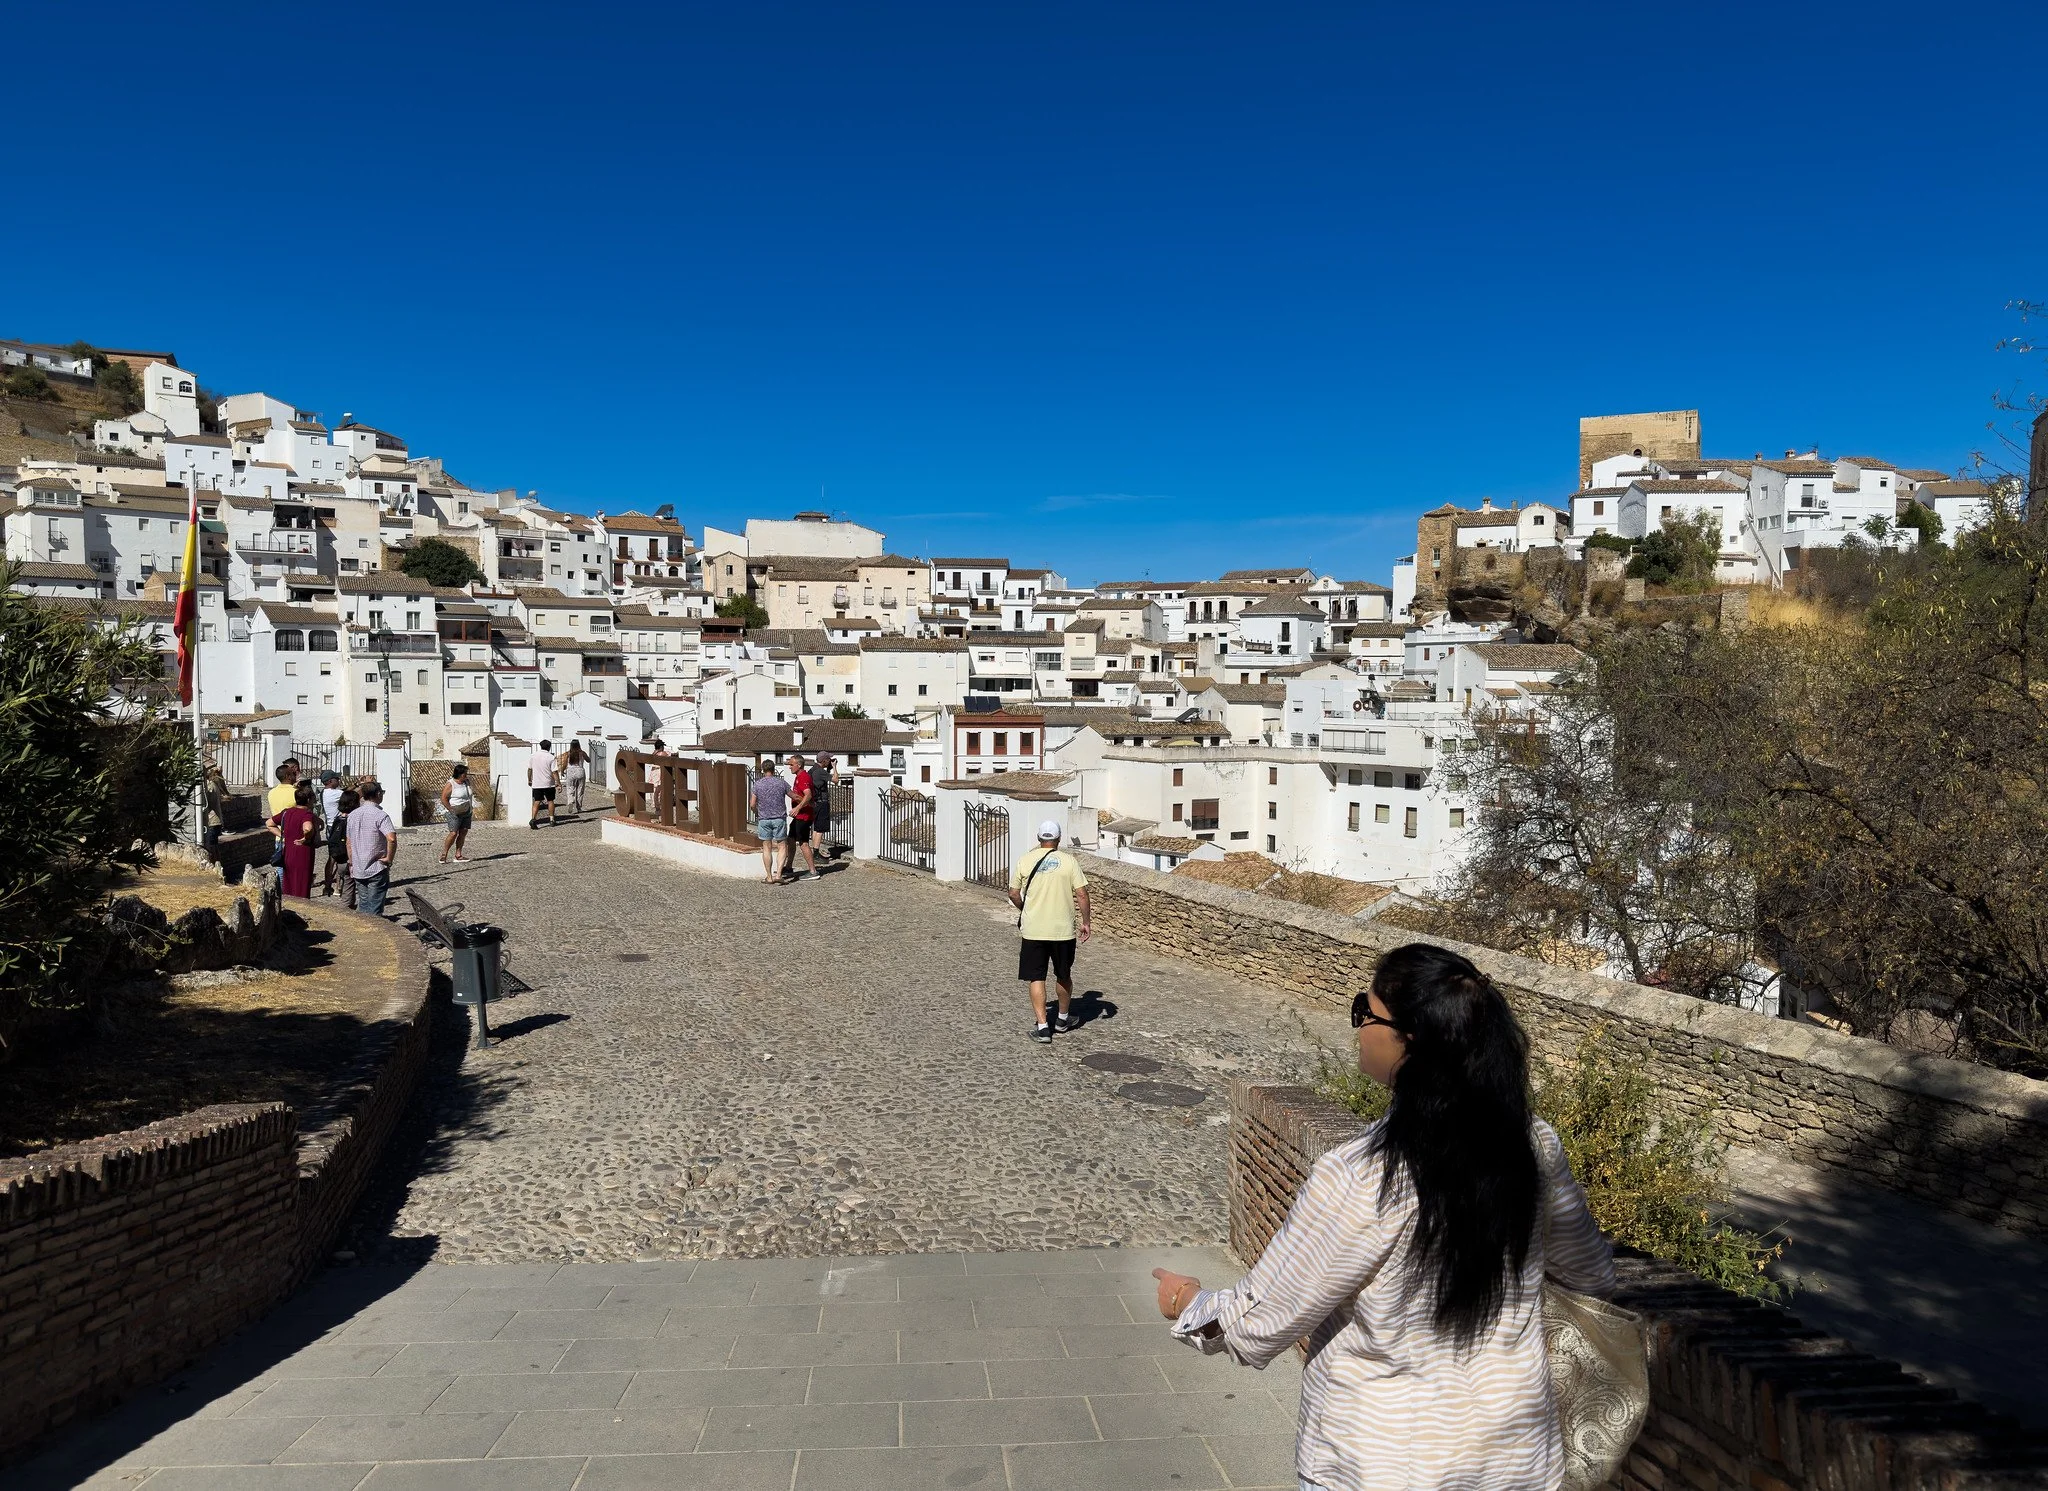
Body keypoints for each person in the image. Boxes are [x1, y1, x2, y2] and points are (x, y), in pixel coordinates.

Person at [1148, 943, 1617, 1491]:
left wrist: (1187, 1301)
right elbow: (1592, 1276)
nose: (1358, 1029)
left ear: (1409, 1040)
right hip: (1513, 1464)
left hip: (1380, 1465)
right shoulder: (1534, 1146)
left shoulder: (1362, 1176)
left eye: (1364, 1013)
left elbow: (1259, 1322)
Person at [1007, 820, 1090, 1042]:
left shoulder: (1025, 860)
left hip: (1033, 929)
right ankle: (1062, 1019)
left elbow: (1013, 893)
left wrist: (1025, 910)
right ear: (1059, 839)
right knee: (1063, 974)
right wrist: (1086, 922)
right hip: (1062, 931)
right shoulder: (1069, 862)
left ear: (1038, 838)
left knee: (1036, 977)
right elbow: (1082, 894)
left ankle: (1043, 1027)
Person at [347, 781, 399, 915]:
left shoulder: (352, 815)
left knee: (363, 905)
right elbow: (391, 838)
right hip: (376, 866)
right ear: (378, 794)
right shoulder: (380, 815)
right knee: (375, 907)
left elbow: (349, 841)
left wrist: (352, 861)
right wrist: (389, 859)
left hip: (359, 866)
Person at [749, 758, 790, 884]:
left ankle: (769, 876)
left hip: (764, 819)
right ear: (774, 769)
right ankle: (779, 874)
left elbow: (752, 804)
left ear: (763, 770)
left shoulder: (758, 784)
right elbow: (793, 795)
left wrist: (757, 813)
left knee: (767, 847)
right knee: (782, 846)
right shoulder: (781, 783)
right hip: (779, 818)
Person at [783, 753, 822, 882]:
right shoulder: (799, 776)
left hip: (804, 816)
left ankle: (813, 871)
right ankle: (788, 866)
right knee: (791, 839)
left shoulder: (804, 777)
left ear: (799, 765)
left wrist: (798, 807)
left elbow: (808, 795)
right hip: (799, 815)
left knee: (803, 843)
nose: (789, 767)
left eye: (791, 764)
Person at [278, 782, 320, 899]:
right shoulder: (306, 814)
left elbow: (269, 823)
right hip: (302, 853)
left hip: (288, 851)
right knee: (301, 883)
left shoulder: (287, 812)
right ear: (308, 800)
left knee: (289, 882)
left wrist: (283, 836)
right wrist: (305, 838)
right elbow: (307, 828)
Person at [329, 788, 361, 908]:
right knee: (352, 888)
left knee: (348, 886)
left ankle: (349, 907)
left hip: (340, 860)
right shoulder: (351, 820)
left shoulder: (337, 820)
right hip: (349, 859)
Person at [266, 760, 300, 867]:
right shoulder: (296, 792)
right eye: (293, 773)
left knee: (281, 869)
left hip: (279, 835)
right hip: (296, 837)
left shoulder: (271, 792)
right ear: (288, 776)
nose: (296, 775)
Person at [439, 764, 475, 863]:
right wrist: (450, 809)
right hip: (454, 812)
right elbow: (443, 798)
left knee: (463, 832)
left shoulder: (466, 782)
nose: (466, 775)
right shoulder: (451, 784)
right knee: (453, 833)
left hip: (466, 811)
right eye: (465, 774)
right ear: (459, 774)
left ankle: (458, 855)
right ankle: (444, 854)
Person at [201, 763, 228, 868]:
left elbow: (208, 802)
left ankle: (214, 867)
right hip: (216, 821)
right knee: (215, 846)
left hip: (212, 821)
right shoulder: (215, 785)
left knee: (211, 848)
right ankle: (218, 866)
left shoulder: (211, 786)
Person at [809, 752, 835, 858]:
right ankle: (816, 854)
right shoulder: (820, 771)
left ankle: (814, 851)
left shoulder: (812, 770)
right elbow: (836, 780)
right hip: (822, 802)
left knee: (815, 828)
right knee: (820, 829)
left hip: (814, 802)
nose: (830, 761)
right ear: (824, 760)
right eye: (829, 759)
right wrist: (834, 767)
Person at [528, 741, 558, 830]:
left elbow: (530, 769)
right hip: (549, 783)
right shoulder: (551, 757)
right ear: (549, 747)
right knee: (550, 801)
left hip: (537, 783)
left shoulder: (533, 756)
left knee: (537, 801)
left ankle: (533, 819)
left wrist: (529, 779)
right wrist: (558, 782)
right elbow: (554, 771)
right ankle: (552, 819)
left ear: (540, 746)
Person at [559, 740, 588, 816]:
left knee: (570, 787)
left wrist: (562, 771)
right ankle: (579, 807)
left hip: (570, 771)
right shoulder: (582, 753)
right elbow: (589, 760)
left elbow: (564, 763)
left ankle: (570, 801)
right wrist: (584, 755)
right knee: (580, 789)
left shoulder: (568, 753)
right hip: (580, 771)